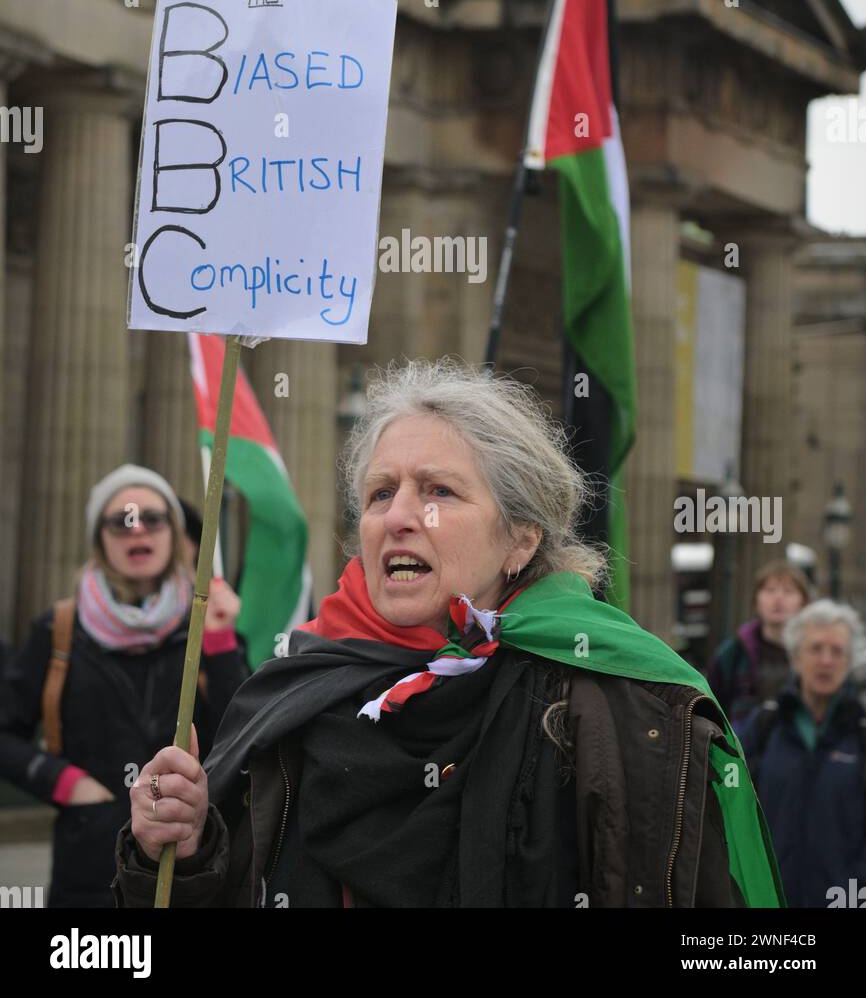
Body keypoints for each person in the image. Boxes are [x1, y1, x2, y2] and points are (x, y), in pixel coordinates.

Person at [113, 361, 783, 909]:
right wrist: (183, 848)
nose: (399, 516)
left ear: (521, 538)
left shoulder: (626, 708)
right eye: (380, 494)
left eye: (438, 492)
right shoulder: (290, 692)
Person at [0, 464, 249, 907]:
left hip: (191, 872)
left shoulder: (207, 623)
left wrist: (221, 644)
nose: (138, 531)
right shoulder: (57, 630)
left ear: (173, 533)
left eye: (152, 518)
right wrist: (64, 783)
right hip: (89, 875)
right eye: (121, 521)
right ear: (100, 539)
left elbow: (247, 738)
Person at [738, 599, 866, 908]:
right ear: (795, 658)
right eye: (815, 648)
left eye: (837, 651)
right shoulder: (764, 727)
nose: (826, 660)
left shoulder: (861, 736)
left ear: (848, 662)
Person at [707, 560, 810, 731]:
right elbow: (713, 708)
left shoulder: (816, 651)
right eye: (770, 590)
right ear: (756, 601)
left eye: (788, 591)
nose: (778, 598)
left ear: (804, 603)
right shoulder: (732, 653)